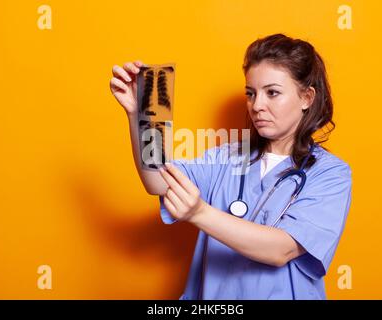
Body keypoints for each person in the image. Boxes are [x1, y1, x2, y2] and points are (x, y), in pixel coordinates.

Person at [110, 33, 352, 300]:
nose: (257, 105)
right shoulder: (225, 159)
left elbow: (281, 250)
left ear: (307, 97)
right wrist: (142, 115)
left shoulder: (330, 174)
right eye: (251, 93)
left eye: (272, 93)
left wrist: (199, 213)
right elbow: (159, 182)